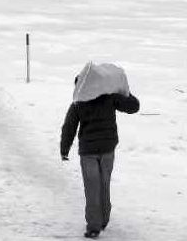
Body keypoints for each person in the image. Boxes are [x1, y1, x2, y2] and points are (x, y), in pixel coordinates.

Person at [60, 62, 140, 239]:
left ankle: (94, 226)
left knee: (92, 188)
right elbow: (134, 106)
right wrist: (124, 91)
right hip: (107, 148)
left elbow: (69, 127)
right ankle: (103, 219)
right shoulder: (110, 97)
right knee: (104, 184)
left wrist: (64, 149)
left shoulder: (78, 104)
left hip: (88, 151)